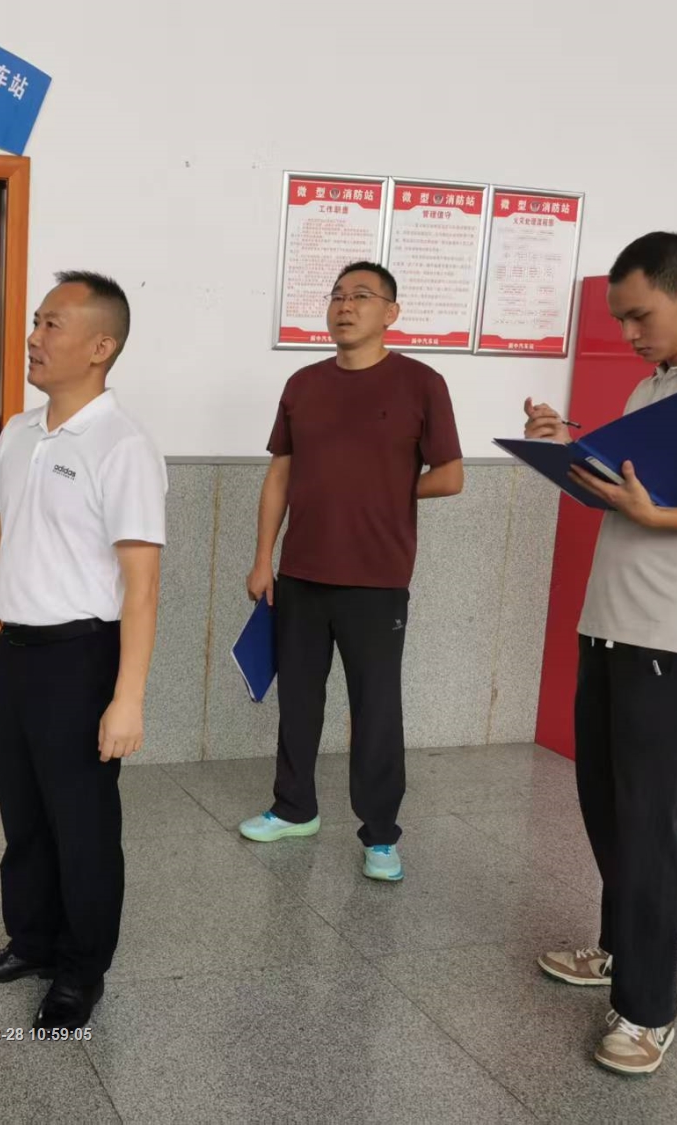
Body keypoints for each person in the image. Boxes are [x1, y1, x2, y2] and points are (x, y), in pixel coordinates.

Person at [525, 232, 677, 1075]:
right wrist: (569, 449)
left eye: (640, 315)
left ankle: (649, 1008)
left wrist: (667, 518)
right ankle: (619, 949)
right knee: (604, 800)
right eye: (621, 320)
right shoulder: (653, 383)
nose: (630, 334)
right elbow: (636, 491)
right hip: (613, 619)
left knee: (648, 819)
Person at [0, 271, 166, 1031]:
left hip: (83, 658)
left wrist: (128, 697)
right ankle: (32, 941)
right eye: (37, 322)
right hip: (18, 651)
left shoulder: (123, 445)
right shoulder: (19, 431)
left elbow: (142, 585)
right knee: (23, 814)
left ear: (101, 347)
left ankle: (81, 972)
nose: (33, 338)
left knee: (83, 827)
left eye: (52, 325)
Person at [239, 261, 463, 881]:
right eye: (337, 295)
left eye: (361, 295)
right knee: (298, 701)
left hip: (377, 579)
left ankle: (381, 835)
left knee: (376, 710)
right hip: (301, 574)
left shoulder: (421, 383)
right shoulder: (303, 384)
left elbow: (450, 475)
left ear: (391, 313)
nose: (345, 305)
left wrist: (385, 491)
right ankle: (294, 808)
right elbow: (280, 474)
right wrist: (263, 558)